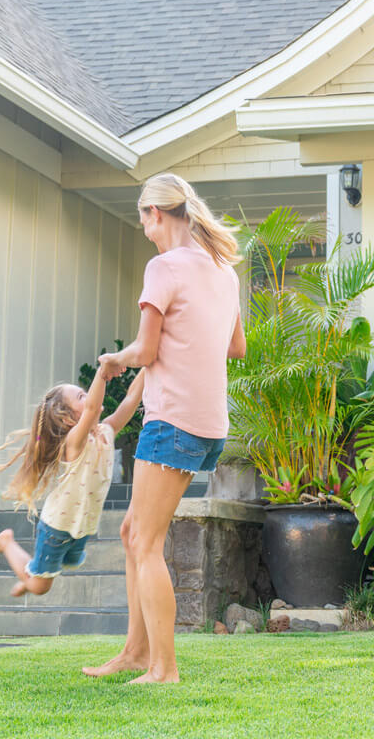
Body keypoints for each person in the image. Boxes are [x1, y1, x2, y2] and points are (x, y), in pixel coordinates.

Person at [83, 173, 245, 685]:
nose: (146, 233)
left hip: (171, 420)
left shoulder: (164, 267)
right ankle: (135, 652)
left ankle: (164, 668)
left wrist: (112, 361)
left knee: (146, 543)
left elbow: (144, 352)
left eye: (145, 222)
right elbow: (236, 347)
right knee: (134, 532)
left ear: (155, 213)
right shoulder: (223, 271)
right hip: (208, 423)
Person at [0, 367, 144, 597]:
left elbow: (131, 400)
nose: (88, 397)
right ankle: (7, 544)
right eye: (80, 397)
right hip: (57, 528)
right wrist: (103, 372)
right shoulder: (74, 443)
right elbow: (93, 407)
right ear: (67, 418)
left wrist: (148, 366)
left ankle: (29, 576)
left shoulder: (106, 431)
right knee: (40, 587)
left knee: (69, 564)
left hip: (80, 527)